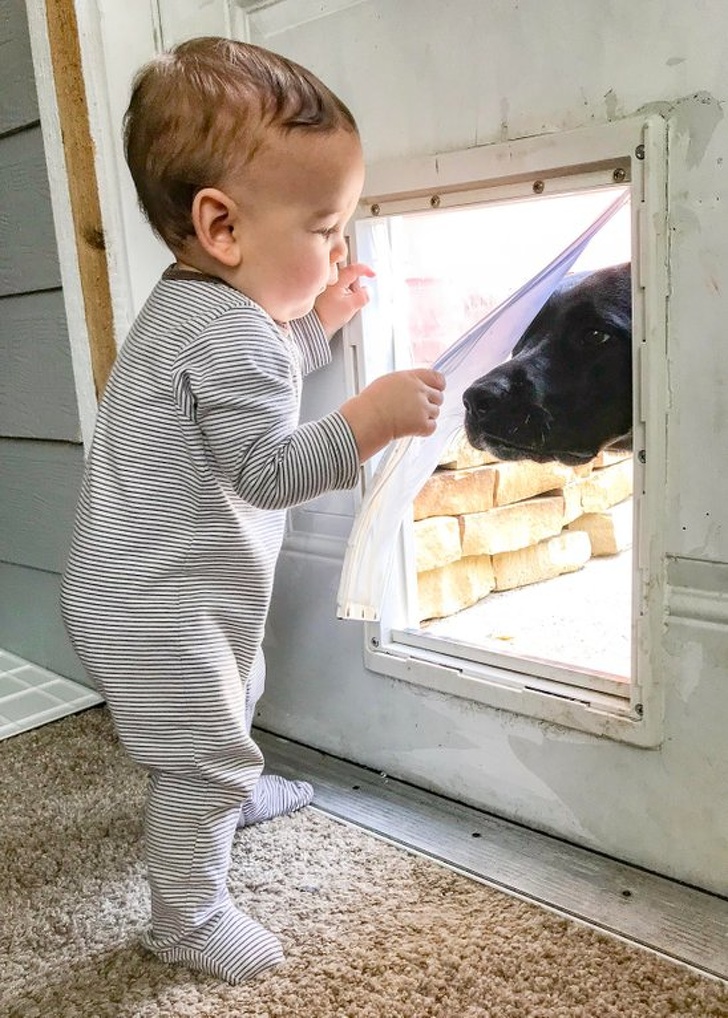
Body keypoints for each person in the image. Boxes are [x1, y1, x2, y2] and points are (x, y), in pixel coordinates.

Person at [60, 36, 445, 986]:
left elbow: (254, 383)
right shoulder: (235, 333)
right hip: (158, 605)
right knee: (205, 754)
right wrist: (371, 417)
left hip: (148, 585)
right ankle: (186, 918)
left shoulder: (194, 304)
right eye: (325, 230)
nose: (340, 249)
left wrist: (322, 321)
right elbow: (269, 466)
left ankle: (224, 796)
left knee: (237, 693)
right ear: (223, 227)